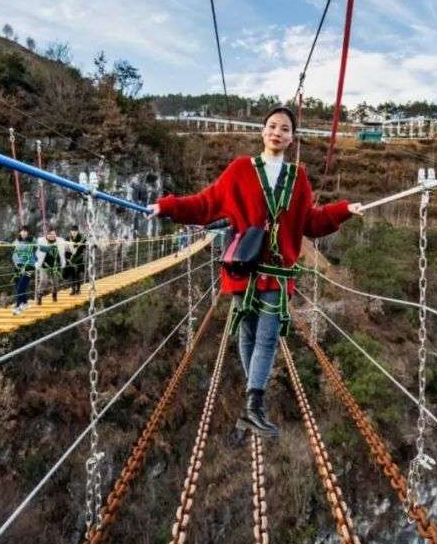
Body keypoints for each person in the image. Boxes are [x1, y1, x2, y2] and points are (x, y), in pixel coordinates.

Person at [150, 106, 363, 438]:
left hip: (277, 272)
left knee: (266, 338)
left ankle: (253, 407)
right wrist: (167, 206)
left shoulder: (298, 177)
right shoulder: (240, 169)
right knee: (247, 336)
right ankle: (251, 410)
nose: (277, 132)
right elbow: (206, 204)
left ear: (292, 138)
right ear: (263, 131)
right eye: (272, 126)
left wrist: (343, 210)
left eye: (285, 129)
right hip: (245, 269)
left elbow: (310, 221)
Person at [35, 228, 69, 305]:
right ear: (47, 235)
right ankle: (39, 296)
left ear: (55, 235)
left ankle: (54, 295)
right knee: (44, 280)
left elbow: (68, 244)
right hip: (44, 264)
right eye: (50, 234)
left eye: (53, 234)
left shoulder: (59, 241)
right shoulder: (42, 242)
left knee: (56, 282)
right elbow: (37, 250)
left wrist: (75, 243)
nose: (52, 236)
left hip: (55, 266)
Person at [11, 227, 36, 315]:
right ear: (20, 233)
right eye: (22, 231)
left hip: (29, 266)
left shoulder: (32, 240)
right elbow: (14, 252)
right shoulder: (16, 241)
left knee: (21, 286)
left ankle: (18, 306)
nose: (24, 233)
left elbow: (39, 245)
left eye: (26, 231)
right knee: (18, 284)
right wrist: (1, 242)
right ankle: (25, 303)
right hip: (18, 267)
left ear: (28, 233)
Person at [63, 226, 86, 295]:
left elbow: (86, 244)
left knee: (77, 274)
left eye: (75, 231)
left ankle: (78, 289)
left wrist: (81, 244)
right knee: (72, 274)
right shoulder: (68, 238)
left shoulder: (82, 238)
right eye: (72, 231)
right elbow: (65, 247)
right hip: (70, 258)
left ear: (77, 232)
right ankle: (73, 289)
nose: (74, 233)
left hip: (78, 258)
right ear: (70, 231)